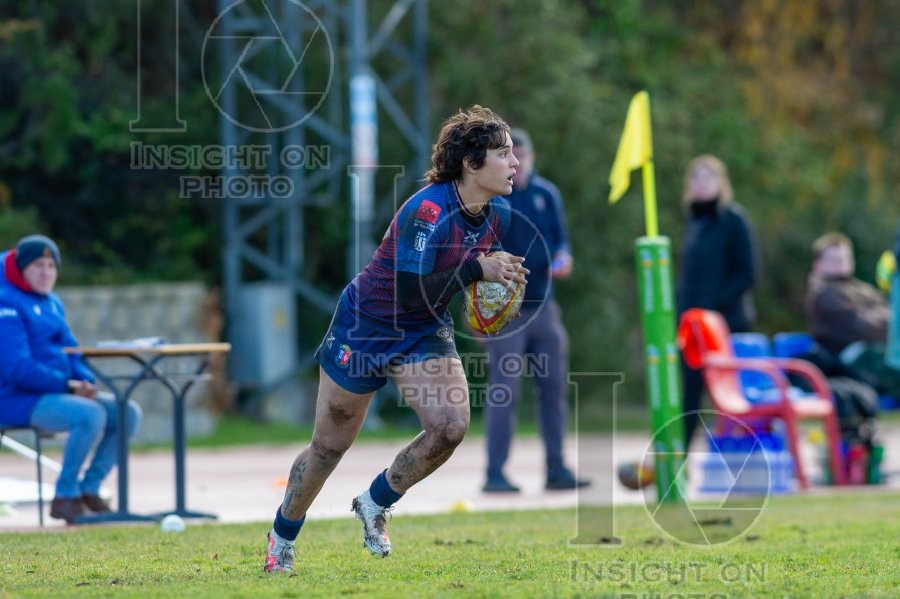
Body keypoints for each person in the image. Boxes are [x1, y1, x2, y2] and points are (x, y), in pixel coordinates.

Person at [262, 106, 528, 573]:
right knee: (329, 446)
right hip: (366, 325)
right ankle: (282, 536)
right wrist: (475, 270)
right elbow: (410, 291)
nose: (514, 163)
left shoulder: (497, 214)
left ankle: (375, 501)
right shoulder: (427, 210)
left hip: (422, 329)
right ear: (471, 164)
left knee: (450, 426)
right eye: (503, 153)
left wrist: (494, 283)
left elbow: (457, 285)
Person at [0, 234, 142, 523]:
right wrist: (67, 386)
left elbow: (72, 351)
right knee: (89, 415)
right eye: (38, 265)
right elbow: (16, 368)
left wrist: (85, 381)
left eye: (51, 266)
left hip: (56, 391)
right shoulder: (6, 303)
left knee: (127, 411)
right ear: (22, 269)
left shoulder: (52, 302)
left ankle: (89, 488)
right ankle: (65, 496)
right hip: (14, 398)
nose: (46, 272)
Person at [478, 128, 587, 493]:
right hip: (506, 314)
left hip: (545, 306)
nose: (518, 163)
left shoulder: (546, 194)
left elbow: (561, 241)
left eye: (523, 156)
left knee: (554, 388)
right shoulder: (493, 200)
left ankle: (556, 468)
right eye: (511, 156)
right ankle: (495, 472)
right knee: (504, 391)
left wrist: (564, 257)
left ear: (532, 158)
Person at [676, 155, 759, 448]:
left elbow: (747, 273)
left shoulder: (733, 219)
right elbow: (688, 278)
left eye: (708, 177)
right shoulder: (693, 222)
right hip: (693, 328)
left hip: (726, 324)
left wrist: (713, 308)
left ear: (721, 183)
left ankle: (741, 456)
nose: (701, 183)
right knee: (688, 393)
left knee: (729, 396)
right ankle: (678, 461)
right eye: (696, 178)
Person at [803, 232, 900, 396]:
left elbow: (888, 314)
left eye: (843, 258)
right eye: (833, 260)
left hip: (875, 351)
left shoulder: (861, 288)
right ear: (818, 264)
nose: (840, 264)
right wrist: (889, 321)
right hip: (851, 360)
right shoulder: (823, 294)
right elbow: (861, 326)